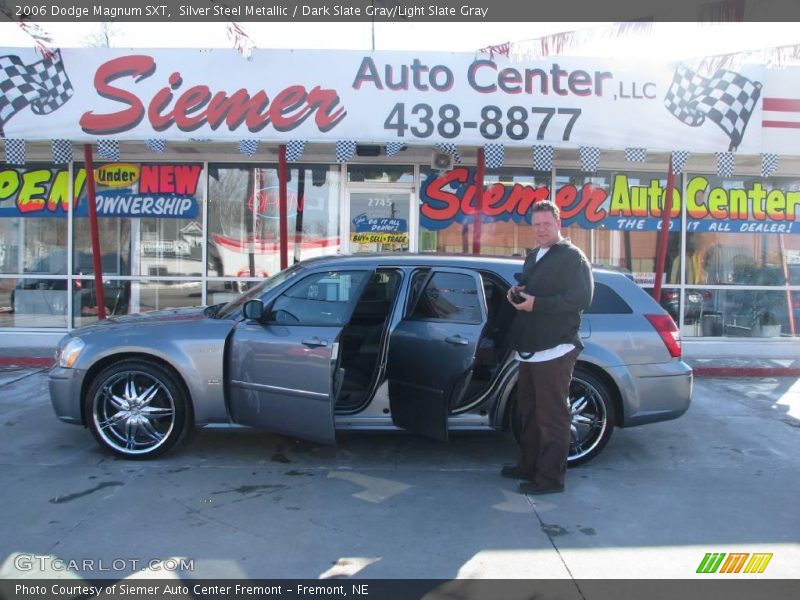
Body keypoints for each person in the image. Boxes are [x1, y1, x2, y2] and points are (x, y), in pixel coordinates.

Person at [504, 200, 594, 495]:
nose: (541, 229)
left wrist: (538, 304)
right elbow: (532, 289)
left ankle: (551, 479)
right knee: (528, 413)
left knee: (552, 417)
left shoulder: (572, 257)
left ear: (558, 224)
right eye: (536, 225)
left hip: (556, 348)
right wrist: (517, 293)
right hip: (531, 348)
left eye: (546, 224)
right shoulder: (534, 256)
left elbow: (582, 298)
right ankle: (528, 466)